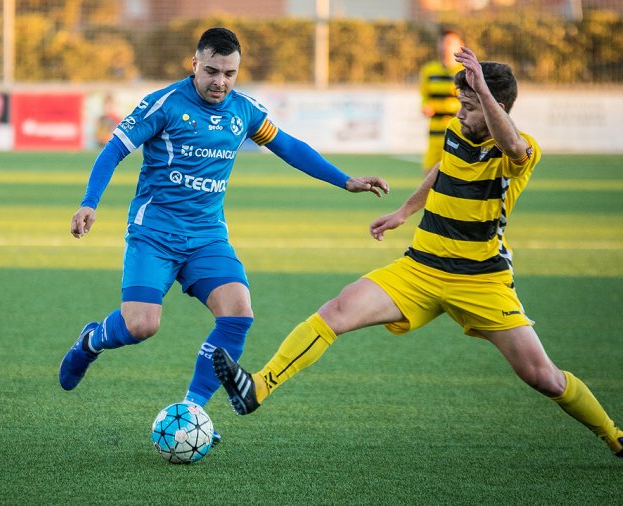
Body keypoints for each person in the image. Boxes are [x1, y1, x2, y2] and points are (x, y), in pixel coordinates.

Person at [213, 47, 623, 458]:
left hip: (481, 280)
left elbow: (511, 144)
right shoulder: (457, 131)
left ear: (496, 107)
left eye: (470, 106)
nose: (460, 113)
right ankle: (258, 388)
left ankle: (613, 434)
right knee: (336, 311)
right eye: (461, 104)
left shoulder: (522, 150)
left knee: (543, 377)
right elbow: (443, 167)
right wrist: (405, 211)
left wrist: (482, 89)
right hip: (420, 268)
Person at [59, 27, 389, 445]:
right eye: (212, 71)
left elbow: (288, 146)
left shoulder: (244, 110)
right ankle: (91, 340)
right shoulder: (163, 105)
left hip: (207, 237)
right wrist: (90, 202)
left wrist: (346, 181)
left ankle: (192, 411)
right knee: (141, 326)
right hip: (155, 234)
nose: (220, 82)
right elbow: (114, 150)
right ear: (194, 64)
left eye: (229, 73)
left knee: (238, 313)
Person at [419, 28, 464, 174]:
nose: (446, 47)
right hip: (435, 134)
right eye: (443, 43)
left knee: (457, 177)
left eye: (450, 43)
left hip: (459, 133)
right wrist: (425, 107)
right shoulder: (429, 70)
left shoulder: (465, 71)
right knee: (428, 176)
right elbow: (424, 97)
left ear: (460, 45)